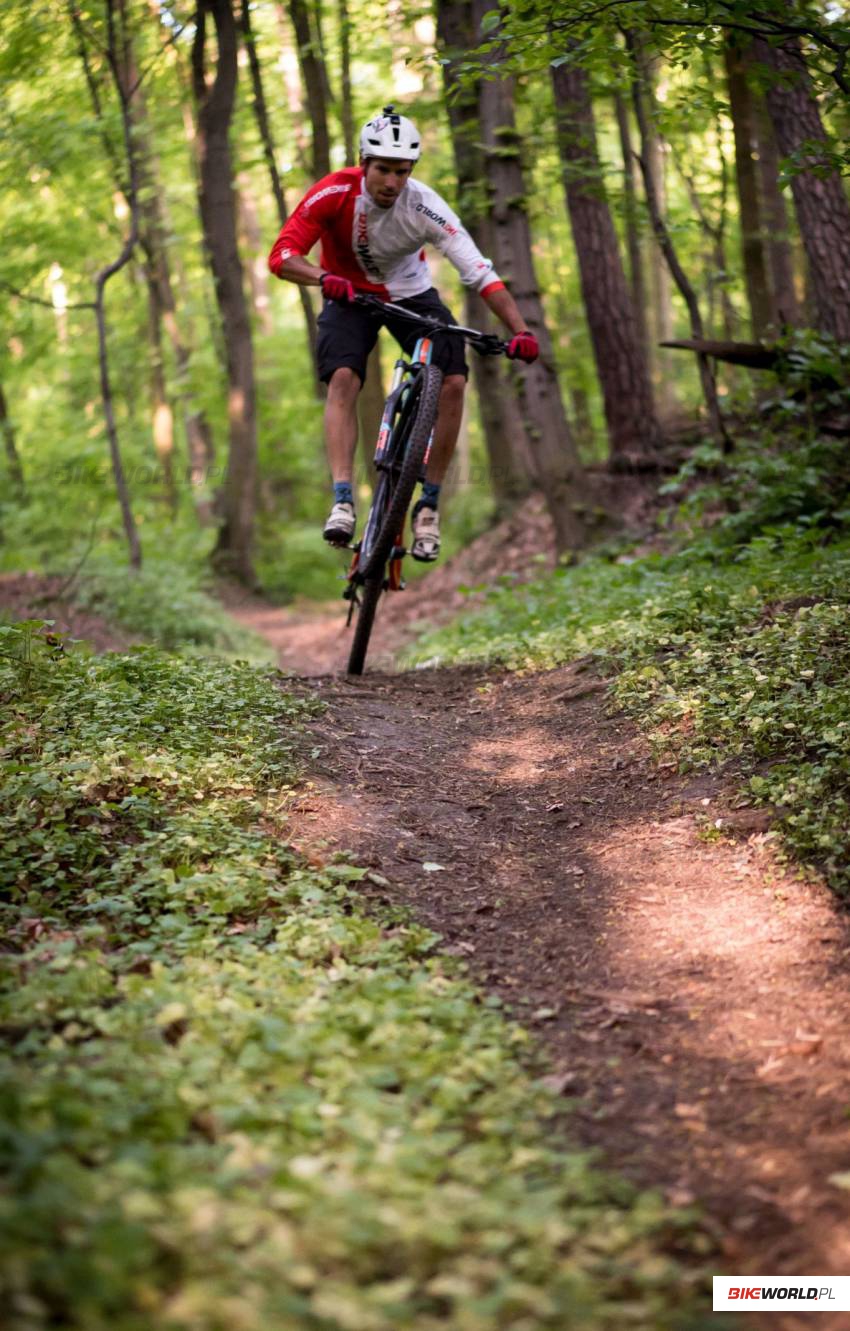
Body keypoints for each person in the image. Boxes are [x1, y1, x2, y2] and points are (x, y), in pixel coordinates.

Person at [268, 105, 539, 563]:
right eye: (383, 169)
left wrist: (521, 330)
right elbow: (282, 256)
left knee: (454, 381)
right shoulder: (334, 192)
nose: (392, 181)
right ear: (364, 163)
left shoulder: (425, 205)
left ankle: (428, 506)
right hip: (347, 294)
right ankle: (342, 499)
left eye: (402, 171)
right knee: (343, 378)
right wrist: (322, 278)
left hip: (411, 295)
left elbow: (480, 273)